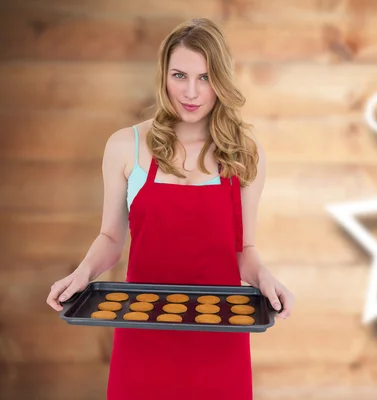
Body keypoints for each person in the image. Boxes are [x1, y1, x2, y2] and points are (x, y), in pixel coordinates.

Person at [46, 18, 294, 399]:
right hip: (142, 334)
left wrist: (266, 280)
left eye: (205, 77)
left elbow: (244, 251)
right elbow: (112, 237)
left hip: (220, 340)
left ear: (222, 81)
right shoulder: (125, 146)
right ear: (164, 75)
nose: (191, 92)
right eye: (179, 75)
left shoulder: (244, 153)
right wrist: (82, 274)